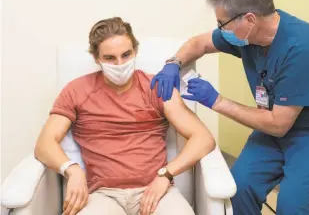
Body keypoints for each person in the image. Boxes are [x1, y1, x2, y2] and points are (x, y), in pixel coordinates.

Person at [151, 0, 309, 215]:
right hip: (274, 129)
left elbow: (279, 124)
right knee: (238, 188)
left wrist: (216, 101)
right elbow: (199, 43)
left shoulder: (302, 48)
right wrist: (174, 63)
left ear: (249, 19)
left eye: (222, 23)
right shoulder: (247, 37)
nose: (220, 30)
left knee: (292, 205)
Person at [34, 17, 216, 215]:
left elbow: (203, 138)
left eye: (126, 55)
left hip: (156, 192)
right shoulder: (76, 91)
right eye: (110, 58)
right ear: (96, 58)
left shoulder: (156, 87)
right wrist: (72, 169)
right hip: (102, 195)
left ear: (135, 51)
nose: (120, 64)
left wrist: (166, 174)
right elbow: (44, 144)